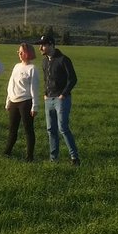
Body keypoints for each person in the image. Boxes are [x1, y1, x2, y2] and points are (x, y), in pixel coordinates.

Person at [37, 35, 80, 165]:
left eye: (43, 45)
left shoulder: (63, 60)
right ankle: (53, 158)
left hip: (61, 99)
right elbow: (46, 79)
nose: (40, 48)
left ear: (51, 45)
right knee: (51, 130)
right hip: (48, 99)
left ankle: (75, 158)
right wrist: (45, 94)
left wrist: (64, 94)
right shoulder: (44, 61)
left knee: (63, 128)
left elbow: (73, 79)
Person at [3, 42, 39, 160]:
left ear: (27, 53)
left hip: (26, 102)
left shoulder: (32, 69)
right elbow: (11, 84)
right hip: (14, 101)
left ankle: (29, 157)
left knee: (28, 129)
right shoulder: (16, 66)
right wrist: (8, 100)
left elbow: (34, 88)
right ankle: (7, 152)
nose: (19, 54)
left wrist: (35, 106)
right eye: (18, 52)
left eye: (21, 52)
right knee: (12, 129)